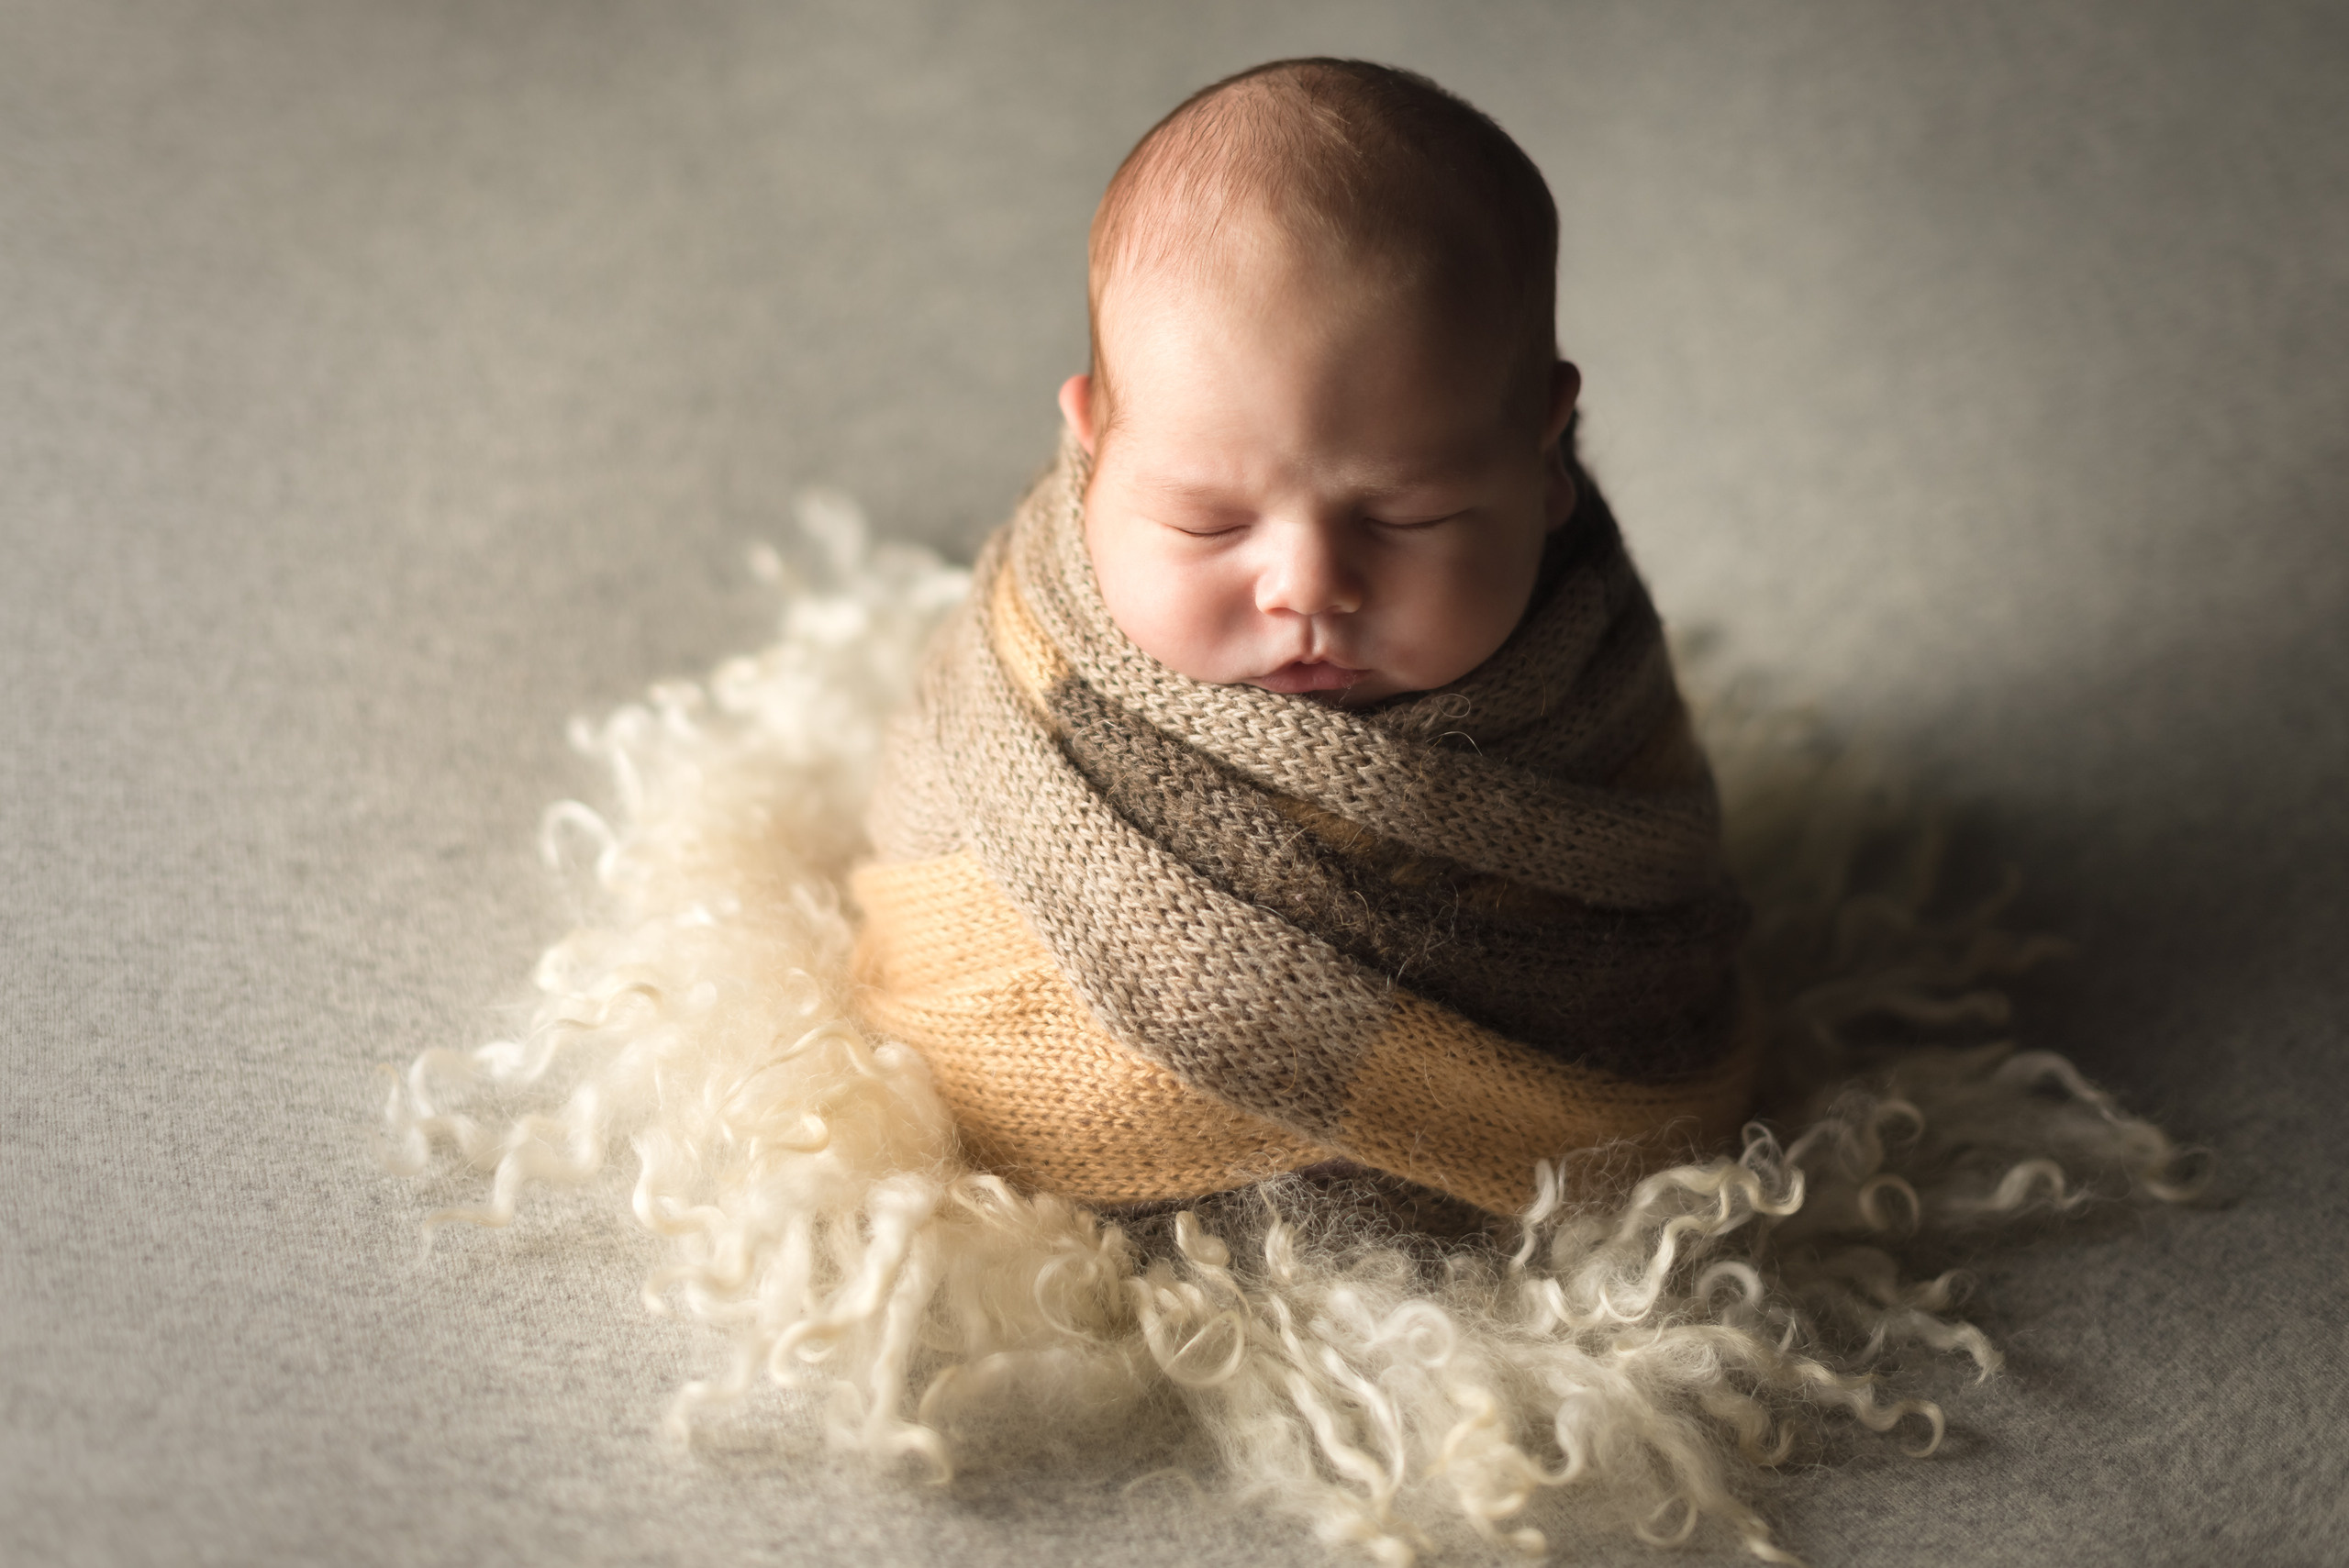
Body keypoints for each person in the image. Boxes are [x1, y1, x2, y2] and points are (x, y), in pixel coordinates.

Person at [851, 58, 1754, 1221]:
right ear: (1092, 450)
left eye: (1407, 516)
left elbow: (1651, 968)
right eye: (1205, 520)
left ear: (1540, 460)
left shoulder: (1594, 702)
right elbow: (929, 885)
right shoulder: (1024, 677)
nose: (1309, 584)